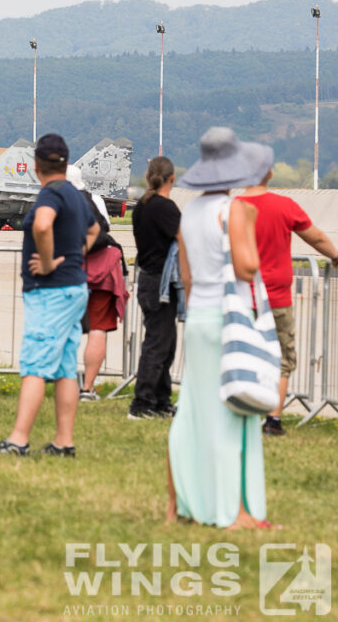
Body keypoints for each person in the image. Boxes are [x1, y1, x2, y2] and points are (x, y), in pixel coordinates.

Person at [167, 127, 275, 529]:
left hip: (198, 315)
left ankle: (184, 503)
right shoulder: (235, 210)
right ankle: (236, 510)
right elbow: (246, 266)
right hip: (227, 316)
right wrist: (248, 227)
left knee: (194, 411)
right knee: (233, 410)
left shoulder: (189, 212)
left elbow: (187, 275)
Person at [0, 134, 98, 457]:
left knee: (36, 364)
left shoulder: (50, 194)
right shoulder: (76, 195)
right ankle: (64, 441)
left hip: (50, 291)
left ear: (36, 166)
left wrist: (49, 262)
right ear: (65, 162)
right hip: (75, 287)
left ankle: (19, 439)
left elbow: (41, 225)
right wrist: (76, 254)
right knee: (65, 366)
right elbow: (94, 230)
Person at [237, 157, 338, 435]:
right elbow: (316, 238)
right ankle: (273, 419)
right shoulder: (284, 206)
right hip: (276, 297)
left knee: (241, 354)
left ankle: (239, 411)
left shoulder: (233, 207)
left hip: (241, 296)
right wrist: (335, 256)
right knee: (282, 358)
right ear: (269, 173)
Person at [67, 165, 127, 403]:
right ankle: (87, 389)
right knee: (98, 329)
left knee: (65, 329)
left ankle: (67, 384)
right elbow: (106, 230)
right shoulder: (95, 200)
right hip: (101, 273)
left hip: (69, 271)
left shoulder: (57, 201)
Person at [129, 157, 182, 419]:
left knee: (166, 342)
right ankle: (142, 402)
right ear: (172, 178)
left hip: (149, 278)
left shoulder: (142, 206)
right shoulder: (165, 207)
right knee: (158, 343)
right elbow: (184, 240)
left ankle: (161, 400)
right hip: (160, 280)